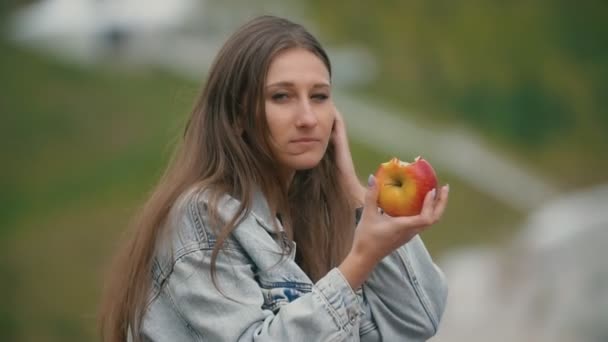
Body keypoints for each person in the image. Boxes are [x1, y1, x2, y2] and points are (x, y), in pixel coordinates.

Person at [99, 15, 450, 342]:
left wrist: (356, 195)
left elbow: (416, 322)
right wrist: (359, 262)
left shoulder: (308, 218)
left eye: (319, 96)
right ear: (237, 116)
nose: (308, 117)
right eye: (281, 96)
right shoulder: (204, 217)